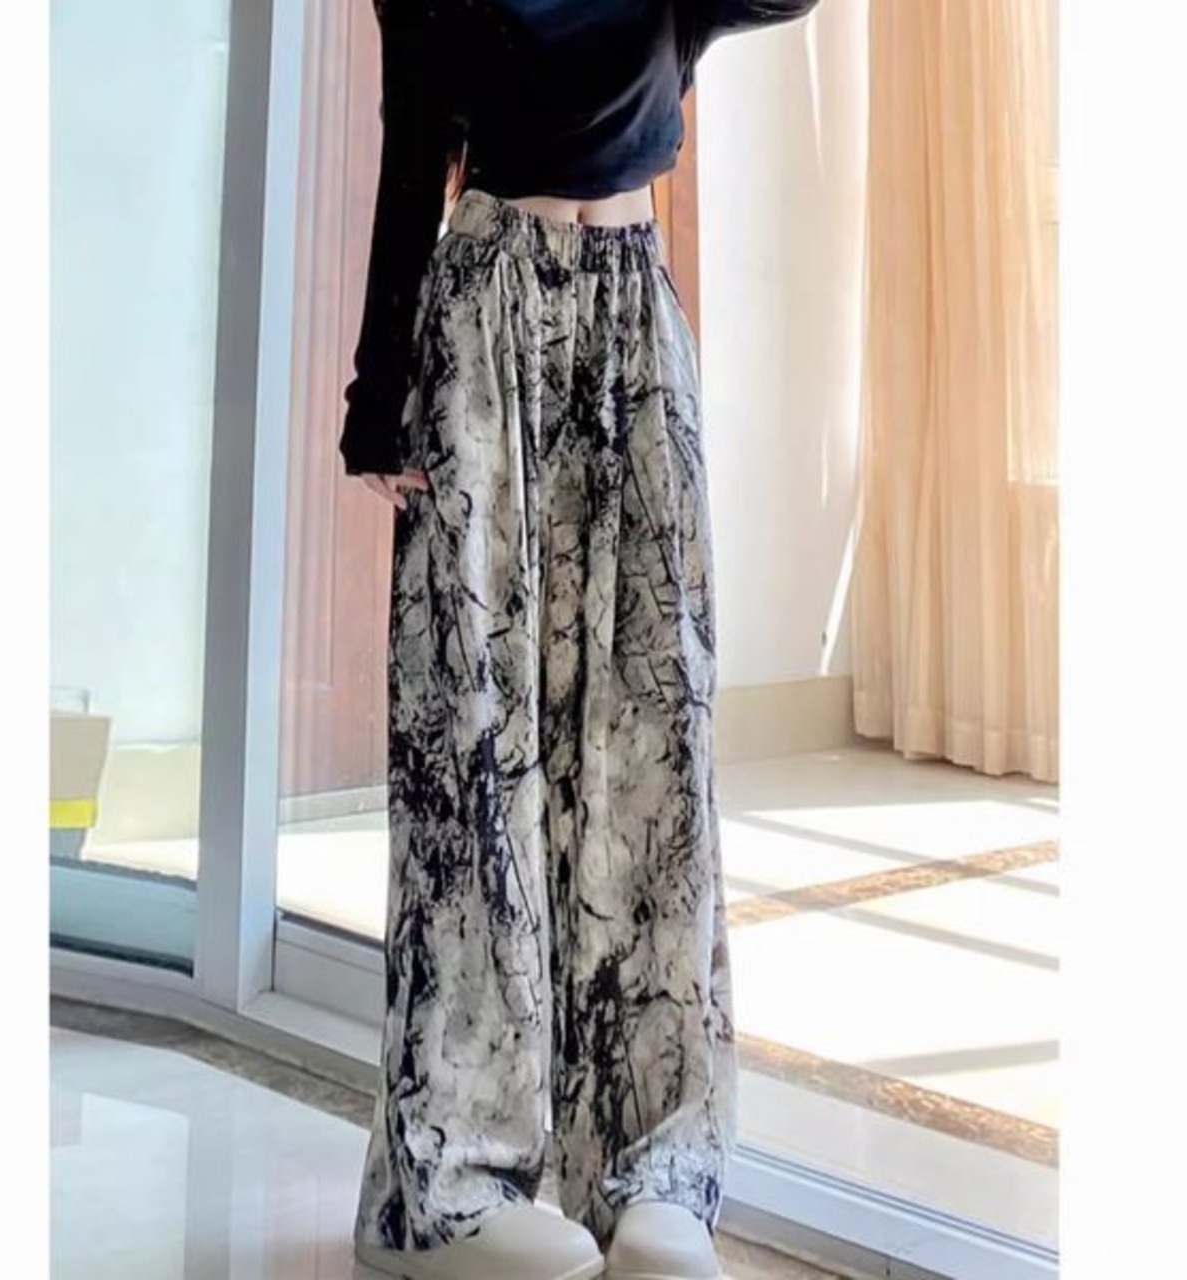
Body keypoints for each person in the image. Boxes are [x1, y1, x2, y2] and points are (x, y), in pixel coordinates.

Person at [339, 4, 822, 1278]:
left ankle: (650, 1160)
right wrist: (376, 396)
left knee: (652, 743)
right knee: (474, 751)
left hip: (629, 324)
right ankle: (447, 1184)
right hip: (487, 323)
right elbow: (412, 146)